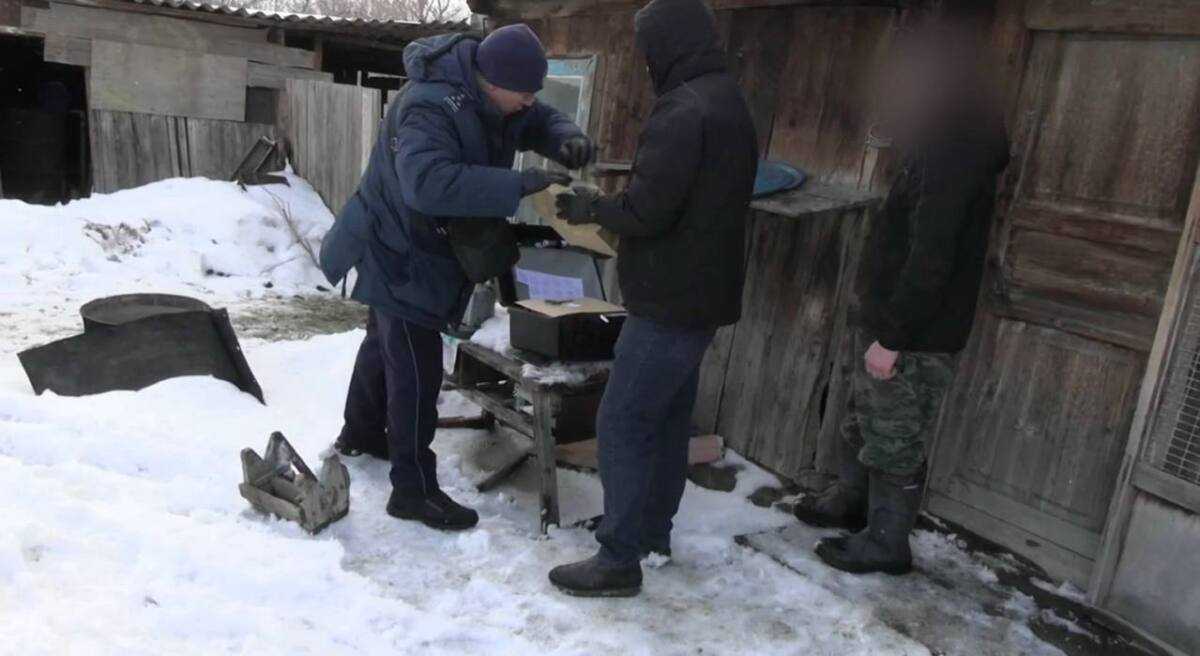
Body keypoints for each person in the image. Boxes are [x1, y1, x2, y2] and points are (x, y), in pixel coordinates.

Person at [318, 25, 593, 531]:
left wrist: (564, 137)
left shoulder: (492, 93)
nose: (530, 101)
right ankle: (413, 490)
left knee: (383, 344)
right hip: (401, 249)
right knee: (416, 370)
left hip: (417, 244)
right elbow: (428, 185)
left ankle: (361, 433)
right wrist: (520, 184)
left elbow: (535, 118)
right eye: (524, 92)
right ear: (494, 81)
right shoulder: (429, 107)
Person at [547, 0, 758, 597]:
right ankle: (649, 533)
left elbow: (648, 211)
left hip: (667, 299)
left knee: (621, 421)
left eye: (647, 51)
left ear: (667, 46)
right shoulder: (728, 100)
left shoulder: (682, 109)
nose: (644, 63)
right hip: (703, 298)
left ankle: (617, 558)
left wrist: (593, 208)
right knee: (666, 420)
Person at [793, 15, 1010, 575]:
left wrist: (893, 336)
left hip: (915, 332)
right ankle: (853, 503)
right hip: (889, 317)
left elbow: (932, 255)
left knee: (894, 432)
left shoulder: (957, 148)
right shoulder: (933, 138)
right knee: (864, 415)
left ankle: (887, 541)